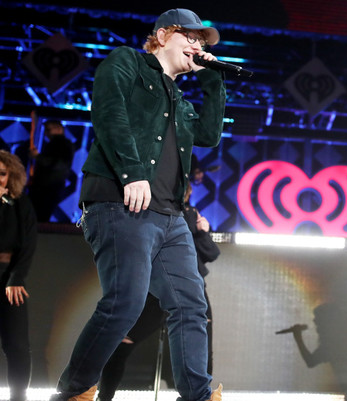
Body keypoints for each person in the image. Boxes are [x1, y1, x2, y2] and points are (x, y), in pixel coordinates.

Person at [49, 8, 226, 401]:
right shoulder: (127, 62)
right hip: (121, 204)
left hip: (171, 216)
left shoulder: (180, 101)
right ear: (162, 36)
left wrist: (213, 80)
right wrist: (132, 173)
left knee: (191, 306)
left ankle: (197, 395)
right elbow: (108, 113)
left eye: (201, 41)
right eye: (190, 37)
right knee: (125, 303)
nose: (197, 45)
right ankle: (73, 392)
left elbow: (209, 135)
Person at [97, 183, 220, 401]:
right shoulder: (154, 213)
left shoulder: (191, 214)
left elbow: (211, 253)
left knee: (200, 345)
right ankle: (104, 395)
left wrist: (202, 232)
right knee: (124, 340)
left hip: (192, 289)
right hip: (158, 287)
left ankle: (202, 396)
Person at [0, 150, 38, 401]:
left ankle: (18, 396)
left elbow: (28, 243)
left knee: (17, 344)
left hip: (9, 278)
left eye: (2, 173)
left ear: (10, 176)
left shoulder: (20, 203)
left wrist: (16, 276)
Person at [28, 119, 75, 222]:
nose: (46, 133)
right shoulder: (56, 143)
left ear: (59, 129)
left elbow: (60, 164)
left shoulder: (63, 144)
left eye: (48, 129)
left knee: (40, 216)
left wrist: (38, 157)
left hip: (50, 187)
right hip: (45, 187)